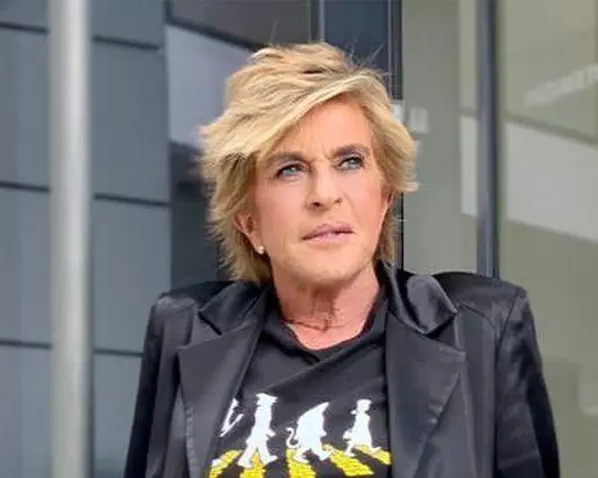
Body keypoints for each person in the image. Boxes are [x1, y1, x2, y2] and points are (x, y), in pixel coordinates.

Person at [124, 42, 559, 478]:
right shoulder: (184, 329)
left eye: (350, 162)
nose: (324, 194)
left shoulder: (483, 328)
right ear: (249, 221)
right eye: (290, 169)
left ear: (384, 195)